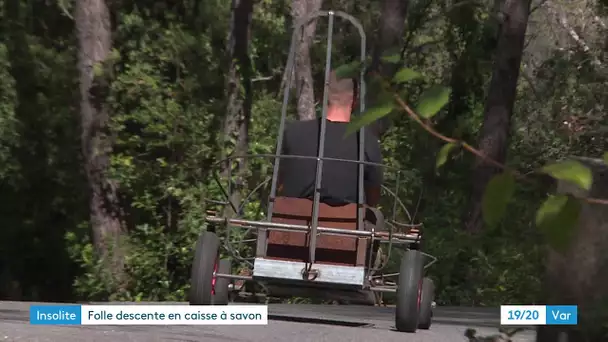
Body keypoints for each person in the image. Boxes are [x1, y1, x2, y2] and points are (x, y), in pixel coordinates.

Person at [277, 70, 383, 209]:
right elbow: (373, 198)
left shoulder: (292, 132)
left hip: (291, 223)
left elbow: (279, 184)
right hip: (346, 227)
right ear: (355, 99)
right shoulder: (367, 141)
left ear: (322, 96)